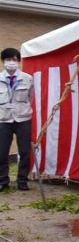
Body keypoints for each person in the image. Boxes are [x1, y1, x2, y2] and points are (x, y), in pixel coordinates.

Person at [0, 47, 34, 193]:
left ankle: (22, 181)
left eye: (14, 60)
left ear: (19, 61)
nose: (11, 63)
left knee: (25, 151)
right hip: (3, 120)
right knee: (2, 152)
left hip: (23, 119)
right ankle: (3, 181)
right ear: (3, 61)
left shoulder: (27, 78)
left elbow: (30, 97)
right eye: (8, 59)